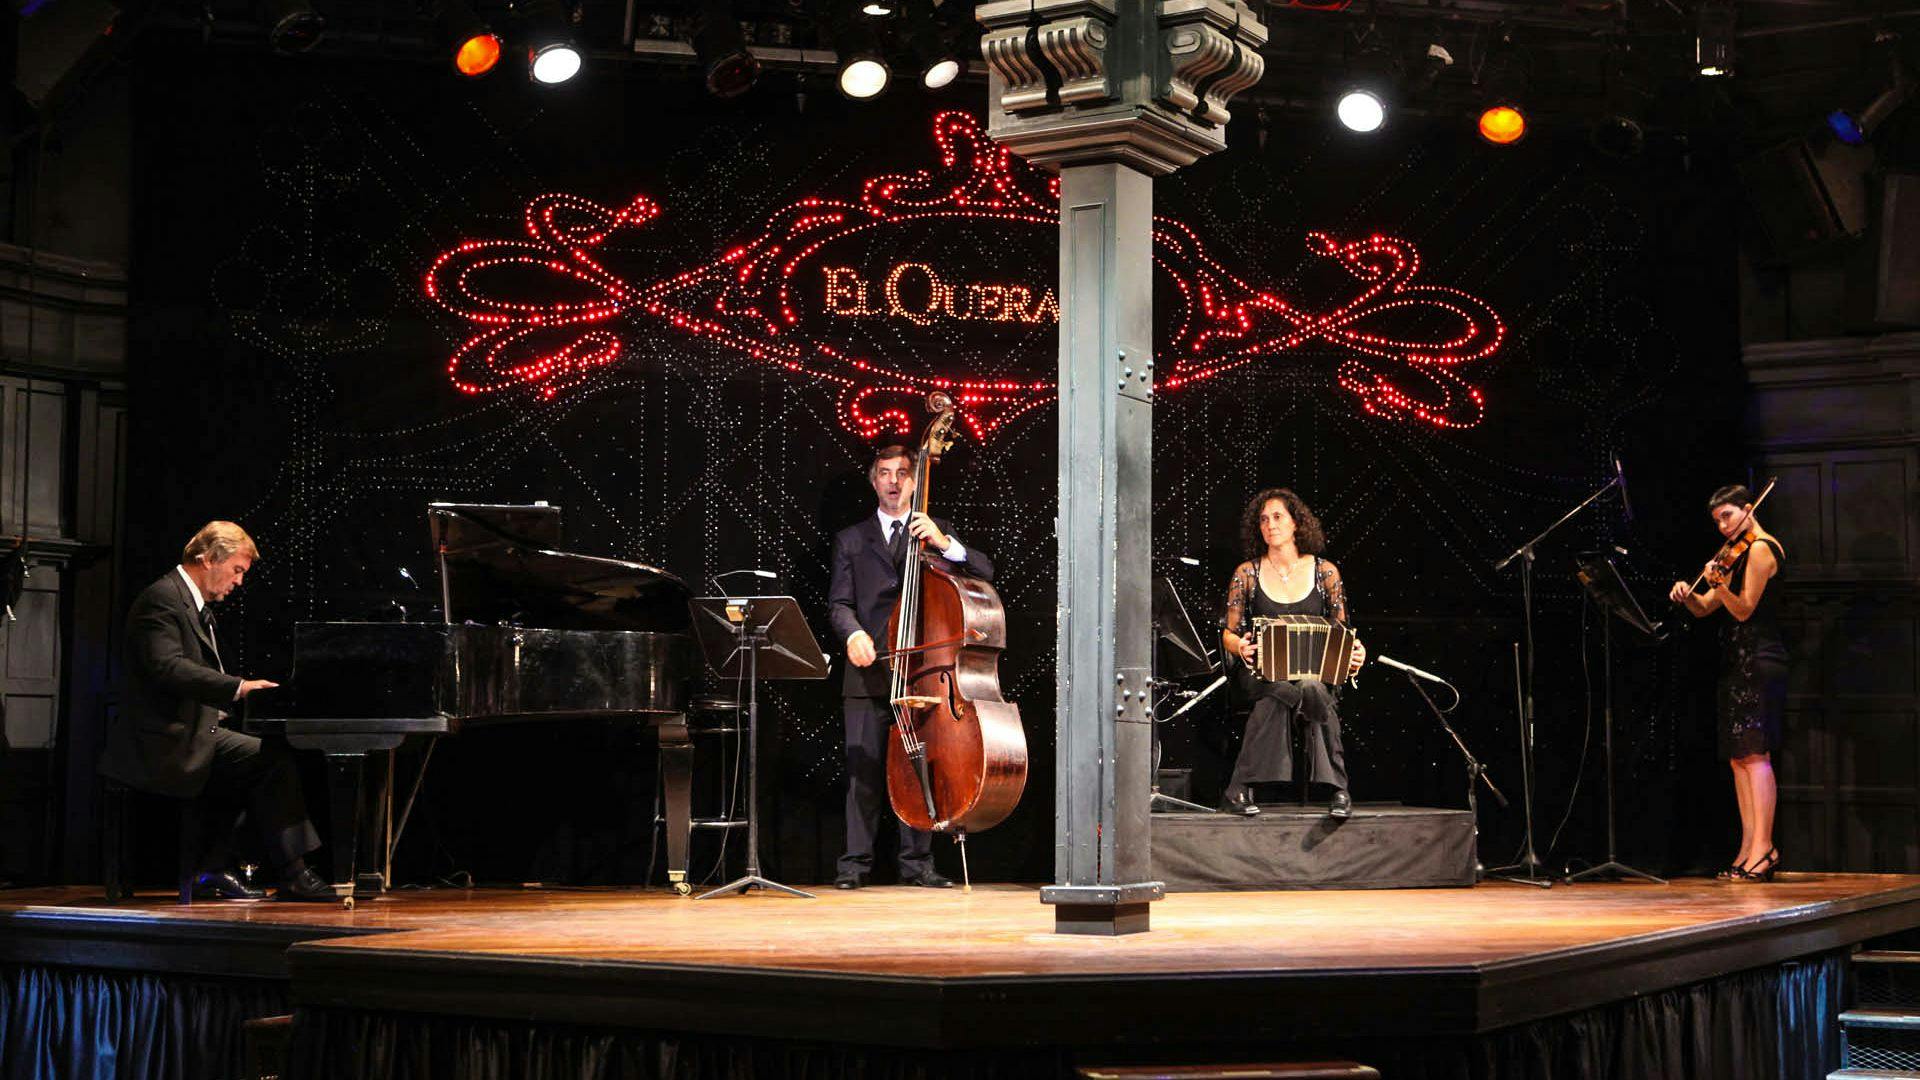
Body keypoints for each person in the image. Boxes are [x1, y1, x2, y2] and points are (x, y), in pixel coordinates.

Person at [98, 522, 332, 901]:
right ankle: (291, 873)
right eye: (237, 570)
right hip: (162, 740)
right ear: (208, 559)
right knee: (270, 763)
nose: (239, 582)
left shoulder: (189, 602)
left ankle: (215, 867)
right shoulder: (162, 599)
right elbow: (167, 667)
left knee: (260, 763)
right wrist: (236, 687)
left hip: (191, 731)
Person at [826, 444, 994, 889]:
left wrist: (943, 543)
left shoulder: (936, 533)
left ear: (916, 481)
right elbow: (839, 604)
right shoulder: (851, 539)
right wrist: (853, 634)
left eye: (903, 473)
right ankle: (854, 866)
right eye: (885, 473)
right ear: (873, 480)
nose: (894, 481)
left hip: (924, 672)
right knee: (863, 776)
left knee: (921, 769)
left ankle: (918, 865)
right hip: (868, 672)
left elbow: (985, 570)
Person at [1219, 489, 1366, 819]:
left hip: (1312, 671)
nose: (1269, 525)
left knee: (1312, 687)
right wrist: (1239, 645)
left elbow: (1340, 631)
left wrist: (1355, 654)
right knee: (1281, 690)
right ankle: (1338, 788)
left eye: (1277, 517)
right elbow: (1228, 633)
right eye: (1263, 519)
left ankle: (1243, 787)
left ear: (1297, 523)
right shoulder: (1247, 573)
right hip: (1261, 671)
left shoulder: (1325, 572)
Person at [1668, 485, 1787, 883]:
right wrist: (1688, 594)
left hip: (1760, 659)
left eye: (1728, 516)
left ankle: (1765, 849)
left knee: (1756, 757)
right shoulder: (1736, 554)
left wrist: (1718, 583)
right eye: (1717, 520)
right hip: (1736, 662)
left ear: (1748, 509)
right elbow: (1704, 610)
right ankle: (1747, 848)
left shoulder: (1761, 549)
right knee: (1740, 760)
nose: (1722, 526)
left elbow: (1744, 609)